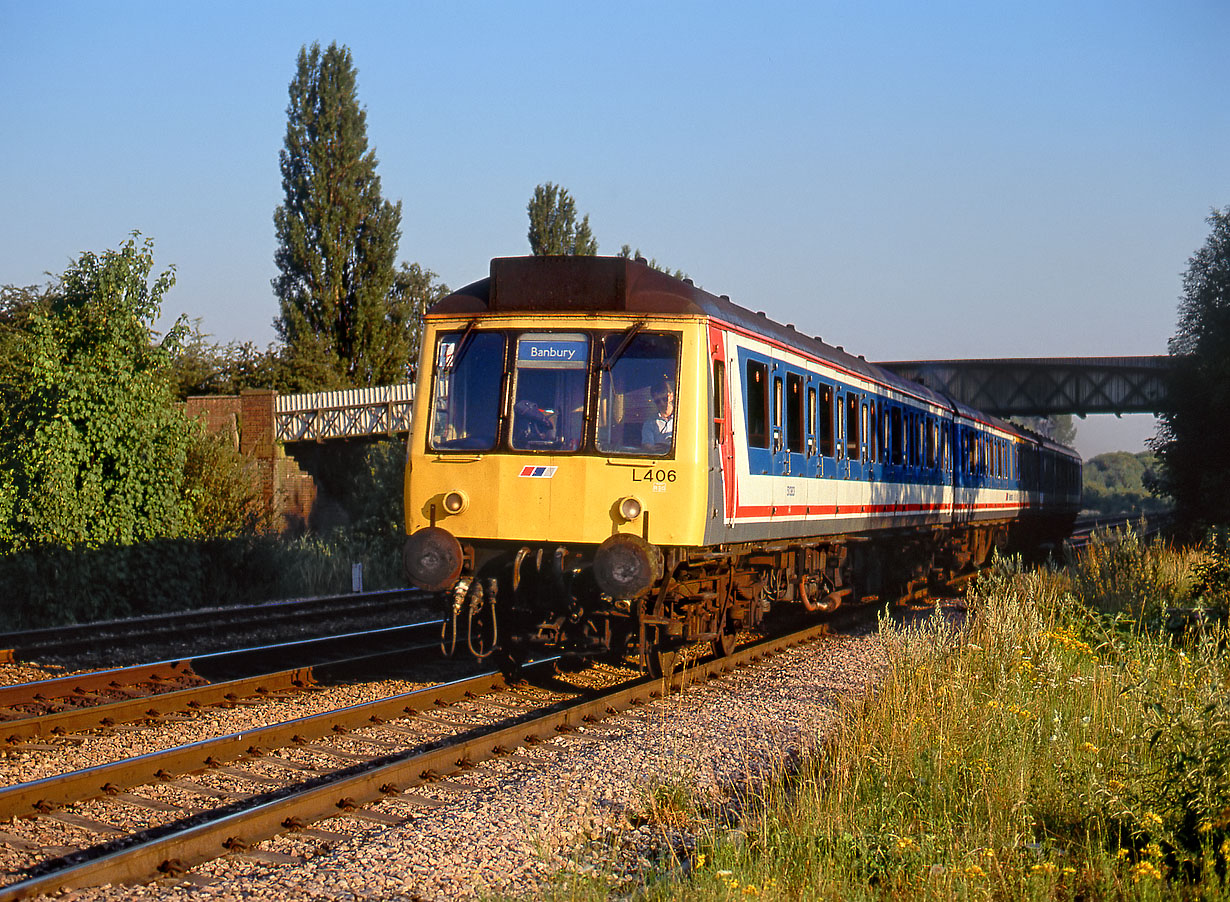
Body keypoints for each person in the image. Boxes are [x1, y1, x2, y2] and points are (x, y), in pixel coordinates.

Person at [641, 377, 675, 449]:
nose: (662, 403)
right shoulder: (650, 423)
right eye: (658, 401)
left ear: (671, 396)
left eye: (664, 399)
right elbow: (647, 445)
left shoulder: (683, 418)